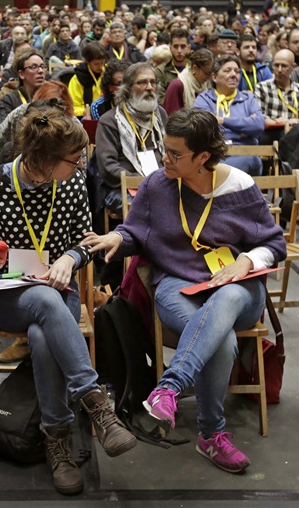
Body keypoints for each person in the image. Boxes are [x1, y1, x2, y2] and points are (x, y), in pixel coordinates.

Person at [81, 108, 286, 474]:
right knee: (220, 340)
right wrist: (116, 235)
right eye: (164, 149)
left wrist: (247, 262)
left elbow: (273, 243)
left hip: (237, 285)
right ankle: (211, 436)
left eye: (175, 154)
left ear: (203, 157)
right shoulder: (157, 184)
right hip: (178, 283)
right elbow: (135, 231)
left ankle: (169, 388)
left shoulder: (239, 186)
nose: (165, 159)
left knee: (230, 296)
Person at [0, 107, 136, 495]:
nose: (81, 164)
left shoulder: (70, 184)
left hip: (58, 290)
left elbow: (85, 241)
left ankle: (57, 440)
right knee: (44, 301)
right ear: (45, 160)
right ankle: (95, 402)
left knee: (41, 333)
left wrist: (71, 257)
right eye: (74, 159)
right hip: (4, 294)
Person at [96, 62, 167, 211]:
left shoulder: (160, 114)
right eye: (142, 82)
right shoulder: (109, 120)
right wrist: (140, 181)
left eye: (153, 82)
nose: (149, 87)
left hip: (162, 183)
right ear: (127, 88)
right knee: (152, 207)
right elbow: (107, 166)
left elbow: (173, 152)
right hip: (123, 188)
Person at [193, 54, 265, 175]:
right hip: (215, 156)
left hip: (246, 155)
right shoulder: (204, 99)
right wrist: (243, 128)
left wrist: (222, 121)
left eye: (237, 71)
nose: (233, 75)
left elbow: (258, 125)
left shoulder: (248, 99)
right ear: (214, 77)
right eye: (227, 71)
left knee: (250, 159)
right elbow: (205, 130)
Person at [255, 48, 299, 141]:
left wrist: (294, 123)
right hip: (271, 132)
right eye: (276, 65)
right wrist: (278, 122)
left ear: (293, 67)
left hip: (296, 131)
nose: (279, 70)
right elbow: (260, 117)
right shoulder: (262, 87)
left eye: (284, 66)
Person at [0, 48, 45, 128]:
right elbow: (4, 135)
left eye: (42, 66)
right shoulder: (8, 101)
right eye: (34, 67)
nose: (41, 71)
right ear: (21, 74)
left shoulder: (52, 96)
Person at [163, 48, 212, 117]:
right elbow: (172, 118)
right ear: (195, 68)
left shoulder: (204, 84)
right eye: (207, 73)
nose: (209, 77)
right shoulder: (178, 85)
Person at [67, 41, 106, 117]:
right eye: (96, 64)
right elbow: (74, 107)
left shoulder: (108, 73)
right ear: (87, 61)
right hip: (86, 115)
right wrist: (88, 111)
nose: (100, 67)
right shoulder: (77, 78)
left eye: (102, 63)